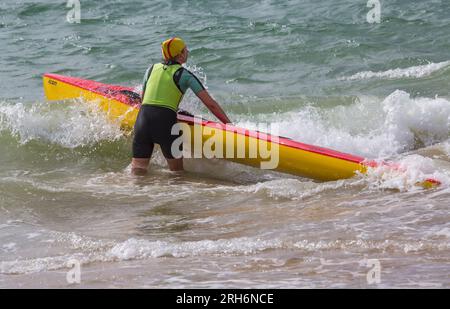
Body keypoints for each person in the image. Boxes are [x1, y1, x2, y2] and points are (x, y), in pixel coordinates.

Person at [131, 37, 231, 175]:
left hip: (142, 121)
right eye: (185, 49)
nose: (187, 51)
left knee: (138, 172)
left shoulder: (150, 69)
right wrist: (229, 125)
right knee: (177, 174)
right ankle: (176, 197)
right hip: (166, 124)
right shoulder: (185, 75)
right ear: (180, 54)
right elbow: (210, 104)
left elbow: (144, 99)